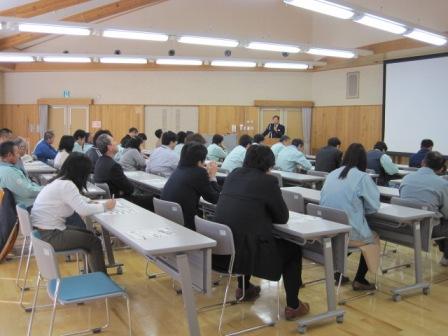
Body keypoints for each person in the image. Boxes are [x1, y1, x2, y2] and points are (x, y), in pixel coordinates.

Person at [213, 145, 309, 320]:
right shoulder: (268, 181)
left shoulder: (233, 174)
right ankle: (294, 306)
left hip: (224, 251)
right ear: (269, 163)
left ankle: (244, 287)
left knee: (244, 234)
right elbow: (282, 217)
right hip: (247, 254)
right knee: (293, 250)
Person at [31, 153, 115, 274]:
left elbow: (73, 198)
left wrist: (88, 201)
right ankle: (101, 280)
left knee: (89, 234)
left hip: (44, 231)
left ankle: (93, 275)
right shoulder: (67, 185)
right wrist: (104, 206)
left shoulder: (61, 181)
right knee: (94, 242)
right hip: (50, 235)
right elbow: (83, 210)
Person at [321, 143, 380, 291]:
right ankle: (360, 279)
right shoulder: (362, 177)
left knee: (347, 236)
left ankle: (337, 271)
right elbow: (374, 207)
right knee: (373, 238)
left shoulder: (332, 174)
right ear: (363, 160)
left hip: (329, 229)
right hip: (347, 232)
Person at [400, 151, 448, 266]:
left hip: (404, 226)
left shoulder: (406, 178)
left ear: (423, 162)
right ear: (441, 169)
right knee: (442, 220)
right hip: (427, 229)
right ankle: (446, 256)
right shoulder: (442, 184)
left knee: (437, 219)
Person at [161, 142, 221, 230]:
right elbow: (215, 199)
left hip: (169, 219)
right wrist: (212, 176)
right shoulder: (199, 172)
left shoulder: (179, 169)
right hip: (186, 224)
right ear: (200, 161)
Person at [94, 134, 154, 211]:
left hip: (110, 200)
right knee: (154, 199)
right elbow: (130, 189)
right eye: (114, 141)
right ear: (109, 147)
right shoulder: (114, 166)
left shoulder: (99, 161)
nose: (116, 143)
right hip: (121, 201)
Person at [0, 141, 42, 208]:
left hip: (31, 202)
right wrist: (46, 189)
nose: (19, 156)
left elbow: (28, 184)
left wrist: (42, 188)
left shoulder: (9, 168)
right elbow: (28, 192)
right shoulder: (8, 172)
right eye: (17, 153)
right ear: (9, 155)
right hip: (29, 206)